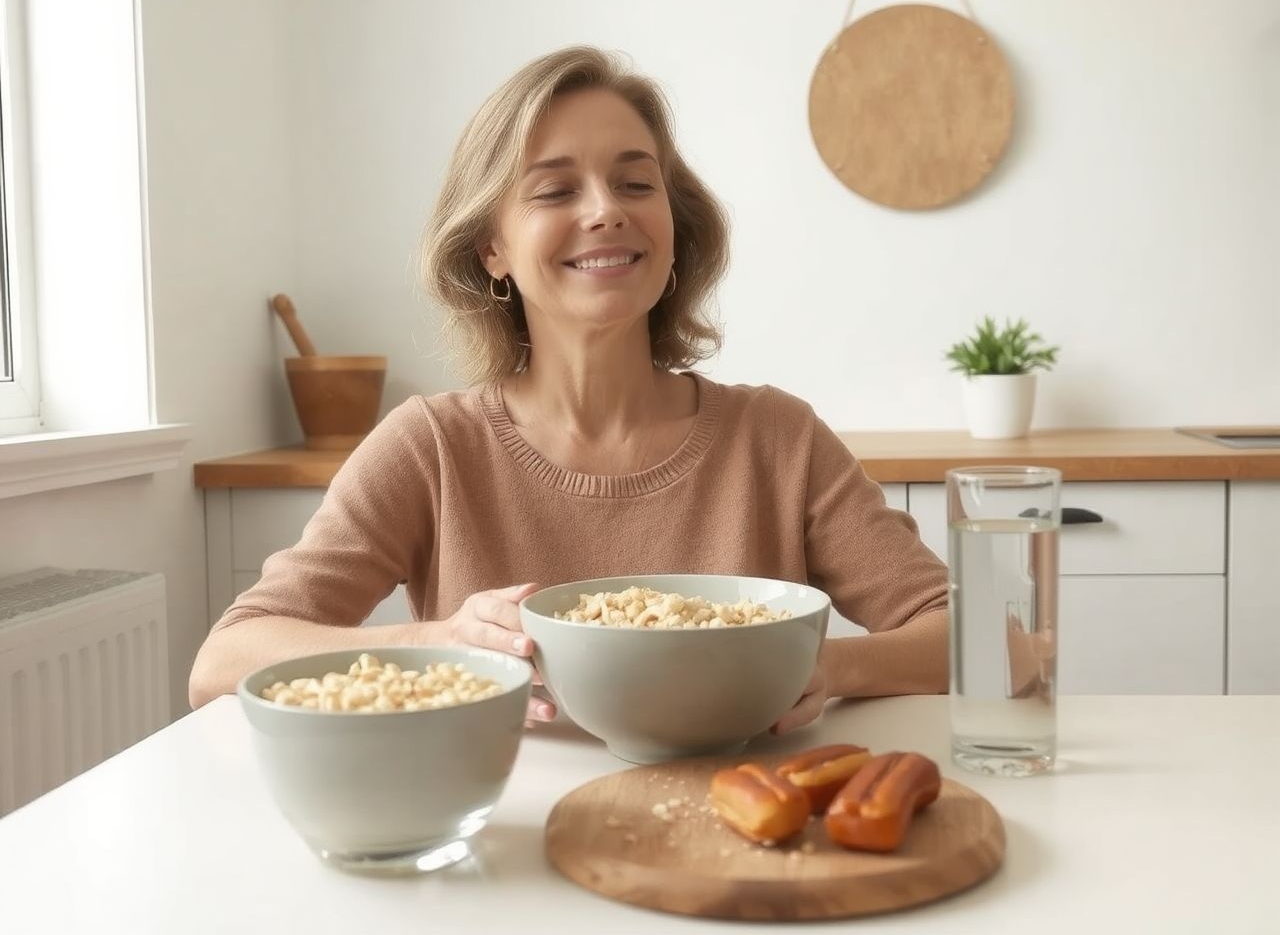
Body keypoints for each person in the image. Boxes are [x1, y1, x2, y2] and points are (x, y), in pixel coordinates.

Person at [188, 46, 949, 734]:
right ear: (492, 248)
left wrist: (821, 668)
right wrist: (439, 641)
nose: (606, 209)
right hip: (503, 840)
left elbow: (992, 644)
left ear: (672, 223)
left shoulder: (777, 439)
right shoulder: (433, 447)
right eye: (555, 191)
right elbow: (222, 663)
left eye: (635, 183)